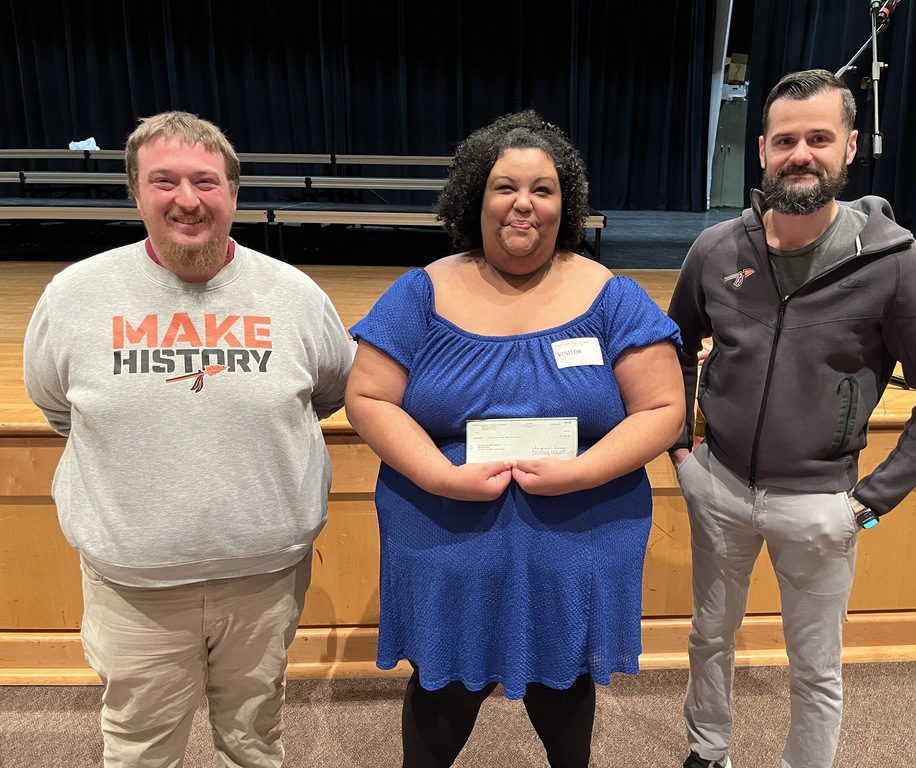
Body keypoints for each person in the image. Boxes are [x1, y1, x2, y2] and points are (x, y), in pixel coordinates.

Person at [344, 108, 686, 767]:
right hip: (446, 530)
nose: (522, 204)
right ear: (476, 197)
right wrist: (443, 476)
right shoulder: (420, 292)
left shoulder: (611, 296)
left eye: (542, 188)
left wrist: (581, 473)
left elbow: (665, 409)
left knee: (564, 682)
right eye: (505, 187)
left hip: (577, 530)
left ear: (567, 202)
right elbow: (368, 398)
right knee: (444, 684)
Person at [22, 111, 353, 766]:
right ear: (136, 192)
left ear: (233, 192)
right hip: (134, 588)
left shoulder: (296, 296)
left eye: (206, 181)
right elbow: (57, 409)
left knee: (255, 742)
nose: (187, 200)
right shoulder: (72, 296)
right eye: (164, 181)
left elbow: (326, 397)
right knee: (141, 749)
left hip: (264, 580)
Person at [667, 69, 916, 768]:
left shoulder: (897, 263)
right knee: (709, 636)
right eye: (784, 140)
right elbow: (672, 347)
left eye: (818, 138)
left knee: (815, 667)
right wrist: (683, 450)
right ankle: (707, 752)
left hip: (824, 505)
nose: (800, 153)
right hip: (717, 488)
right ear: (764, 151)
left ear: (851, 147)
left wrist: (864, 508)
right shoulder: (715, 249)